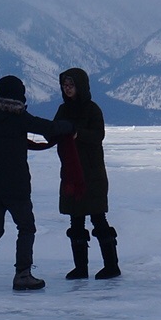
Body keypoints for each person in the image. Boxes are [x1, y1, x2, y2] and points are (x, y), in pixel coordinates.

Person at [0, 74, 72, 291]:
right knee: (26, 227)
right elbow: (48, 128)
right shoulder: (19, 117)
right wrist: (69, 126)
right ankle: (23, 274)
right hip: (15, 184)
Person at [53, 67, 120, 279]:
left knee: (98, 219)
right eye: (65, 85)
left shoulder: (92, 109)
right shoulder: (63, 110)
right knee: (76, 221)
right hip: (71, 173)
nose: (68, 88)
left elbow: (98, 135)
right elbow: (54, 130)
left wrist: (77, 133)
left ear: (80, 86)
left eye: (71, 85)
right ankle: (81, 268)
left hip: (92, 173)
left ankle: (112, 265)